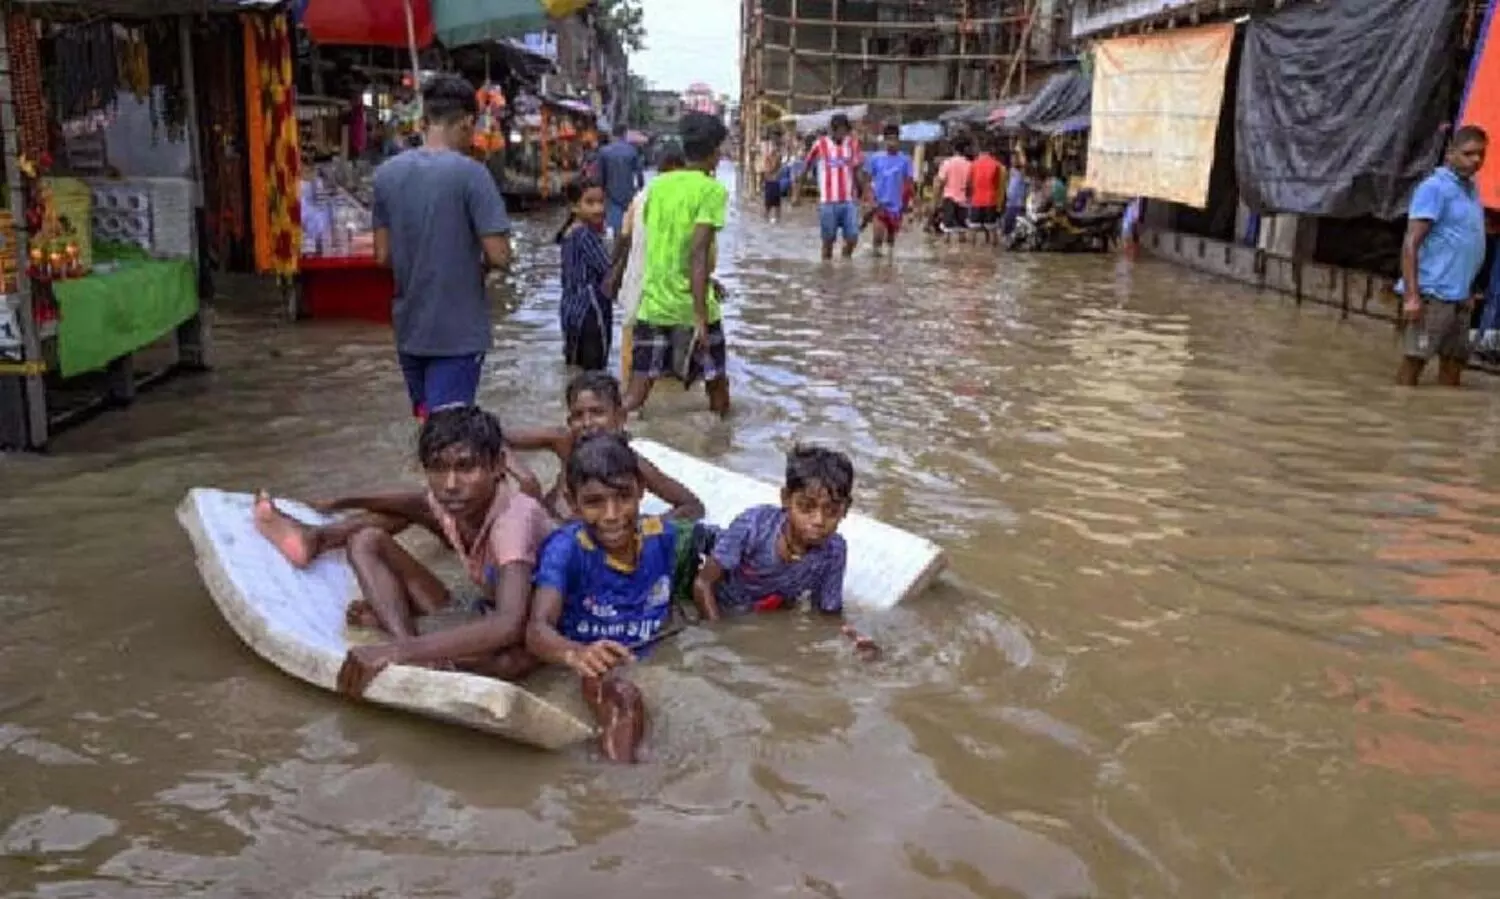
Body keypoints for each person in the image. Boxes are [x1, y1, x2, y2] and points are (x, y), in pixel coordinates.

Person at [252, 407, 553, 698]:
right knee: (365, 540)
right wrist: (342, 501)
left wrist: (395, 652)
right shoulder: (449, 499)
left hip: (532, 624)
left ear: (498, 465)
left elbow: (508, 624)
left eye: (466, 467)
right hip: (483, 606)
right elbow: (410, 502)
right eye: (436, 468)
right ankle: (408, 642)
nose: (450, 484)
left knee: (507, 664)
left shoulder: (514, 520)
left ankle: (405, 646)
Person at [526, 433, 715, 762]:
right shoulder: (567, 549)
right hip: (591, 666)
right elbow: (537, 627)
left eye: (623, 497)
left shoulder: (663, 536)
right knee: (624, 700)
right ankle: (618, 796)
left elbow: (704, 525)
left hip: (652, 656)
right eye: (595, 502)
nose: (612, 514)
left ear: (641, 491)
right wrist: (575, 654)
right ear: (572, 503)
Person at [373, 74, 513, 421]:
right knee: (450, 435)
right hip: (458, 333)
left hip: (410, 330)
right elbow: (500, 255)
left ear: (425, 120)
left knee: (427, 424)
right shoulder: (473, 175)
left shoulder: (385, 175)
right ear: (467, 122)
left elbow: (382, 256)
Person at [691, 445, 878, 658]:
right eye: (806, 507)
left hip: (764, 605)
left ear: (846, 509)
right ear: (786, 499)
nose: (818, 521)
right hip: (719, 588)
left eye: (832, 511)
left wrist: (852, 639)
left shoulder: (833, 551)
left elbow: (827, 614)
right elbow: (702, 583)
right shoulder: (755, 526)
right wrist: (718, 637)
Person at [613, 112, 732, 417]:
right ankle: (722, 446)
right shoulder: (712, 190)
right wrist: (701, 318)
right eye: (720, 149)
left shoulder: (657, 187)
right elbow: (697, 252)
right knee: (717, 386)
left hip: (653, 304)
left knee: (636, 392)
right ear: (713, 151)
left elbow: (658, 245)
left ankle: (604, 429)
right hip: (690, 306)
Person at [505, 370, 705, 522]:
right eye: (578, 415)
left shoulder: (630, 462)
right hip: (551, 530)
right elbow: (494, 437)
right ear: (568, 421)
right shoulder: (564, 441)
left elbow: (692, 506)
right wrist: (526, 479)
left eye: (597, 412)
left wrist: (646, 529)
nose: (587, 423)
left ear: (619, 417)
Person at [1396, 125, 1488, 387]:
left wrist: (1469, 289)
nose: (1476, 160)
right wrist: (1412, 297)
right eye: (1469, 153)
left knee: (1454, 364)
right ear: (1450, 153)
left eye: (1481, 154)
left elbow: (1463, 240)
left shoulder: (1471, 189)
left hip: (1459, 297)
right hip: (1431, 295)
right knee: (1415, 362)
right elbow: (1411, 243)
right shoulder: (1434, 188)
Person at [555, 179, 614, 371]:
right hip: (591, 308)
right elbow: (608, 269)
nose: (598, 208)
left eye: (601, 202)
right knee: (595, 369)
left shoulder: (569, 233)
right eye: (590, 203)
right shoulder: (585, 234)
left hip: (570, 308)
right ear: (574, 207)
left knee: (575, 365)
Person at [803, 113, 866, 260]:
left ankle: (845, 260)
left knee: (852, 237)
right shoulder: (820, 144)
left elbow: (857, 170)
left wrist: (864, 194)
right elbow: (806, 166)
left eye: (844, 130)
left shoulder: (852, 144)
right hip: (828, 202)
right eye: (838, 130)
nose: (841, 134)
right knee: (828, 241)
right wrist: (797, 191)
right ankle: (826, 269)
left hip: (849, 200)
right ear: (832, 130)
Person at [863, 123, 914, 257]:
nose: (892, 142)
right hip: (879, 204)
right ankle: (875, 269)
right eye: (889, 139)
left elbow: (909, 184)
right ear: (884, 140)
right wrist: (870, 200)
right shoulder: (875, 158)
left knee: (891, 241)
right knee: (878, 237)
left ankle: (889, 268)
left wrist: (911, 206)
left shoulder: (905, 160)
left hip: (897, 206)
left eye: (895, 139)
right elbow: (867, 181)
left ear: (899, 140)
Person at [598, 123, 644, 234]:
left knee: (616, 227)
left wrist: (602, 192)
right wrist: (639, 189)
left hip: (611, 195)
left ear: (613, 134)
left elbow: (600, 176)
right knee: (629, 227)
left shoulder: (604, 151)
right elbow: (639, 175)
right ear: (625, 134)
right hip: (629, 194)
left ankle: (617, 247)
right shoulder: (632, 150)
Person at [936, 137, 973, 240]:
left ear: (954, 149)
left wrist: (938, 198)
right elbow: (970, 185)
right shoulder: (969, 165)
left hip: (949, 198)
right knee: (962, 229)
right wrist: (969, 197)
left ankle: (946, 252)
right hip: (963, 199)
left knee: (947, 229)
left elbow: (941, 182)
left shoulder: (947, 163)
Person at [968, 139, 1003, 245]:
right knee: (992, 228)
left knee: (973, 229)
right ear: (991, 151)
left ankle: (971, 251)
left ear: (979, 151)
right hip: (990, 200)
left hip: (977, 200)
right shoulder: (996, 165)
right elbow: (997, 184)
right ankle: (993, 253)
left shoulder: (973, 164)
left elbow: (971, 182)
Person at [761, 137, 785, 223]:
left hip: (775, 181)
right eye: (772, 146)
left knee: (777, 204)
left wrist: (777, 160)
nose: (774, 148)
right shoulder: (768, 157)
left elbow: (778, 168)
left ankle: (777, 219)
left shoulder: (776, 157)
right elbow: (769, 170)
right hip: (770, 181)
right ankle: (767, 218)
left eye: (775, 146)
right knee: (768, 204)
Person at [1002, 156, 1028, 236]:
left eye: (1014, 160)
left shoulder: (1022, 173)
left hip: (1017, 202)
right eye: (1012, 159)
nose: (1013, 161)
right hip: (1011, 201)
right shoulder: (1012, 171)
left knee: (1014, 221)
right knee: (1008, 221)